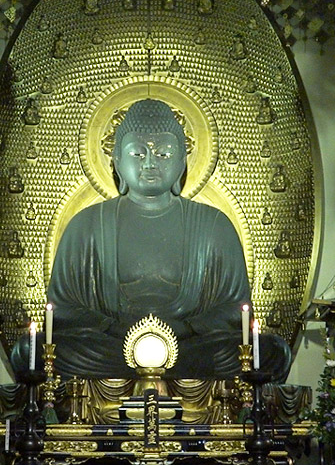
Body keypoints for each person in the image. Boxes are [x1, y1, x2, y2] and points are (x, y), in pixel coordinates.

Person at [47, 99, 288, 380]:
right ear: (116, 160)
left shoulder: (213, 225)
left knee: (271, 351)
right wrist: (114, 328)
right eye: (138, 154)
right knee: (33, 350)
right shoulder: (86, 225)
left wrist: (184, 329)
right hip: (111, 346)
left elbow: (237, 309)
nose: (150, 163)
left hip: (190, 347)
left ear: (183, 161)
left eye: (163, 154)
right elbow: (61, 308)